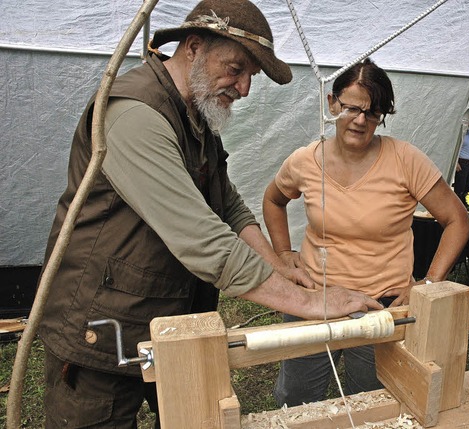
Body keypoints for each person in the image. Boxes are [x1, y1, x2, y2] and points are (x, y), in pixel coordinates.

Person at [37, 1, 382, 426]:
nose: (243, 89)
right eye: (236, 69)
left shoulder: (194, 115)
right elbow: (201, 238)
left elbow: (228, 205)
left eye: (250, 77)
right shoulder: (134, 114)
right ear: (193, 47)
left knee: (195, 417)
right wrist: (309, 302)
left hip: (171, 319)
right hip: (103, 328)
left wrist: (277, 264)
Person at [262, 58, 469, 407]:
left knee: (374, 401)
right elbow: (273, 199)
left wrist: (430, 282)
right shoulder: (305, 161)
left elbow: (457, 219)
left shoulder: (405, 159)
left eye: (372, 113)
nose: (360, 120)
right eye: (351, 108)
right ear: (332, 103)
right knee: (297, 400)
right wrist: (284, 255)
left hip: (381, 305)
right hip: (313, 299)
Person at [454, 118, 469, 204]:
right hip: (462, 163)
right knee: (460, 187)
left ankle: (466, 206)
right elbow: (455, 149)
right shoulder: (461, 135)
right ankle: (458, 206)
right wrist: (456, 162)